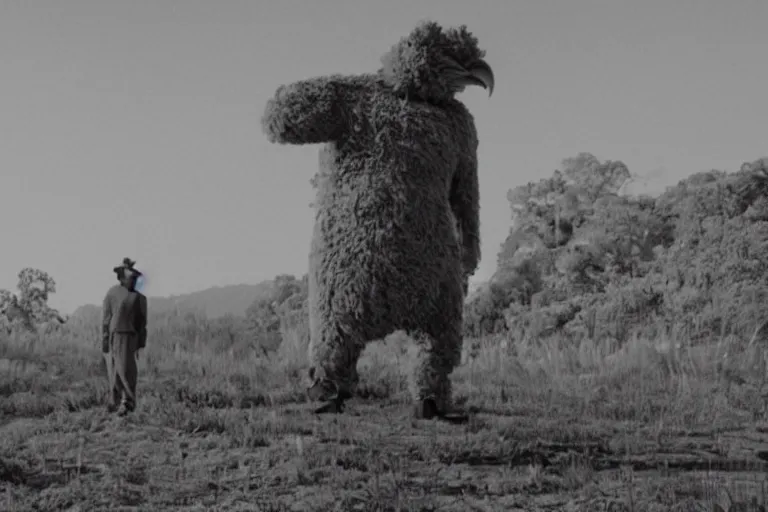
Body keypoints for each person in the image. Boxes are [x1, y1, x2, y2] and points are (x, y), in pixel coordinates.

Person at [101, 257, 148, 416]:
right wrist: (105, 340)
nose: (133, 280)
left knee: (126, 369)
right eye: (130, 277)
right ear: (121, 277)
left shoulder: (139, 298)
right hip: (115, 335)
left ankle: (127, 402)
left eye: (135, 278)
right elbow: (106, 318)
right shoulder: (112, 293)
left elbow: (142, 323)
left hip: (129, 337)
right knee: (115, 370)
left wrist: (140, 342)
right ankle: (114, 401)